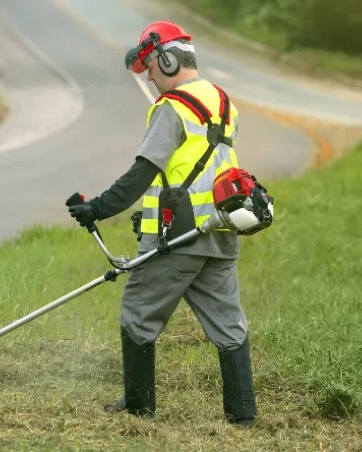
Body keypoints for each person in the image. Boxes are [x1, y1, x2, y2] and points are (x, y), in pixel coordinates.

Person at [67, 21, 257, 427]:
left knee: (138, 314)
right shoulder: (222, 102)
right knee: (228, 325)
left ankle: (139, 409)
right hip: (220, 231)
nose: (149, 78)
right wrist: (146, 213)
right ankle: (242, 415)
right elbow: (195, 170)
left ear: (166, 59)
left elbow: (143, 172)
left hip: (178, 239)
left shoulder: (172, 108)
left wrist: (97, 208)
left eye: (150, 68)